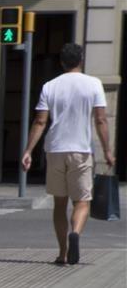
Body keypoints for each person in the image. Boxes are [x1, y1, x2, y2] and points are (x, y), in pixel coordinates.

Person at [22, 43, 116, 265]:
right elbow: (100, 119)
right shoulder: (93, 84)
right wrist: (107, 150)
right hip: (81, 150)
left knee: (59, 204)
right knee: (82, 201)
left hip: (54, 150)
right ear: (81, 60)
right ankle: (76, 233)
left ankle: (63, 253)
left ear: (61, 62)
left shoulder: (49, 86)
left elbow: (40, 121)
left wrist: (28, 151)